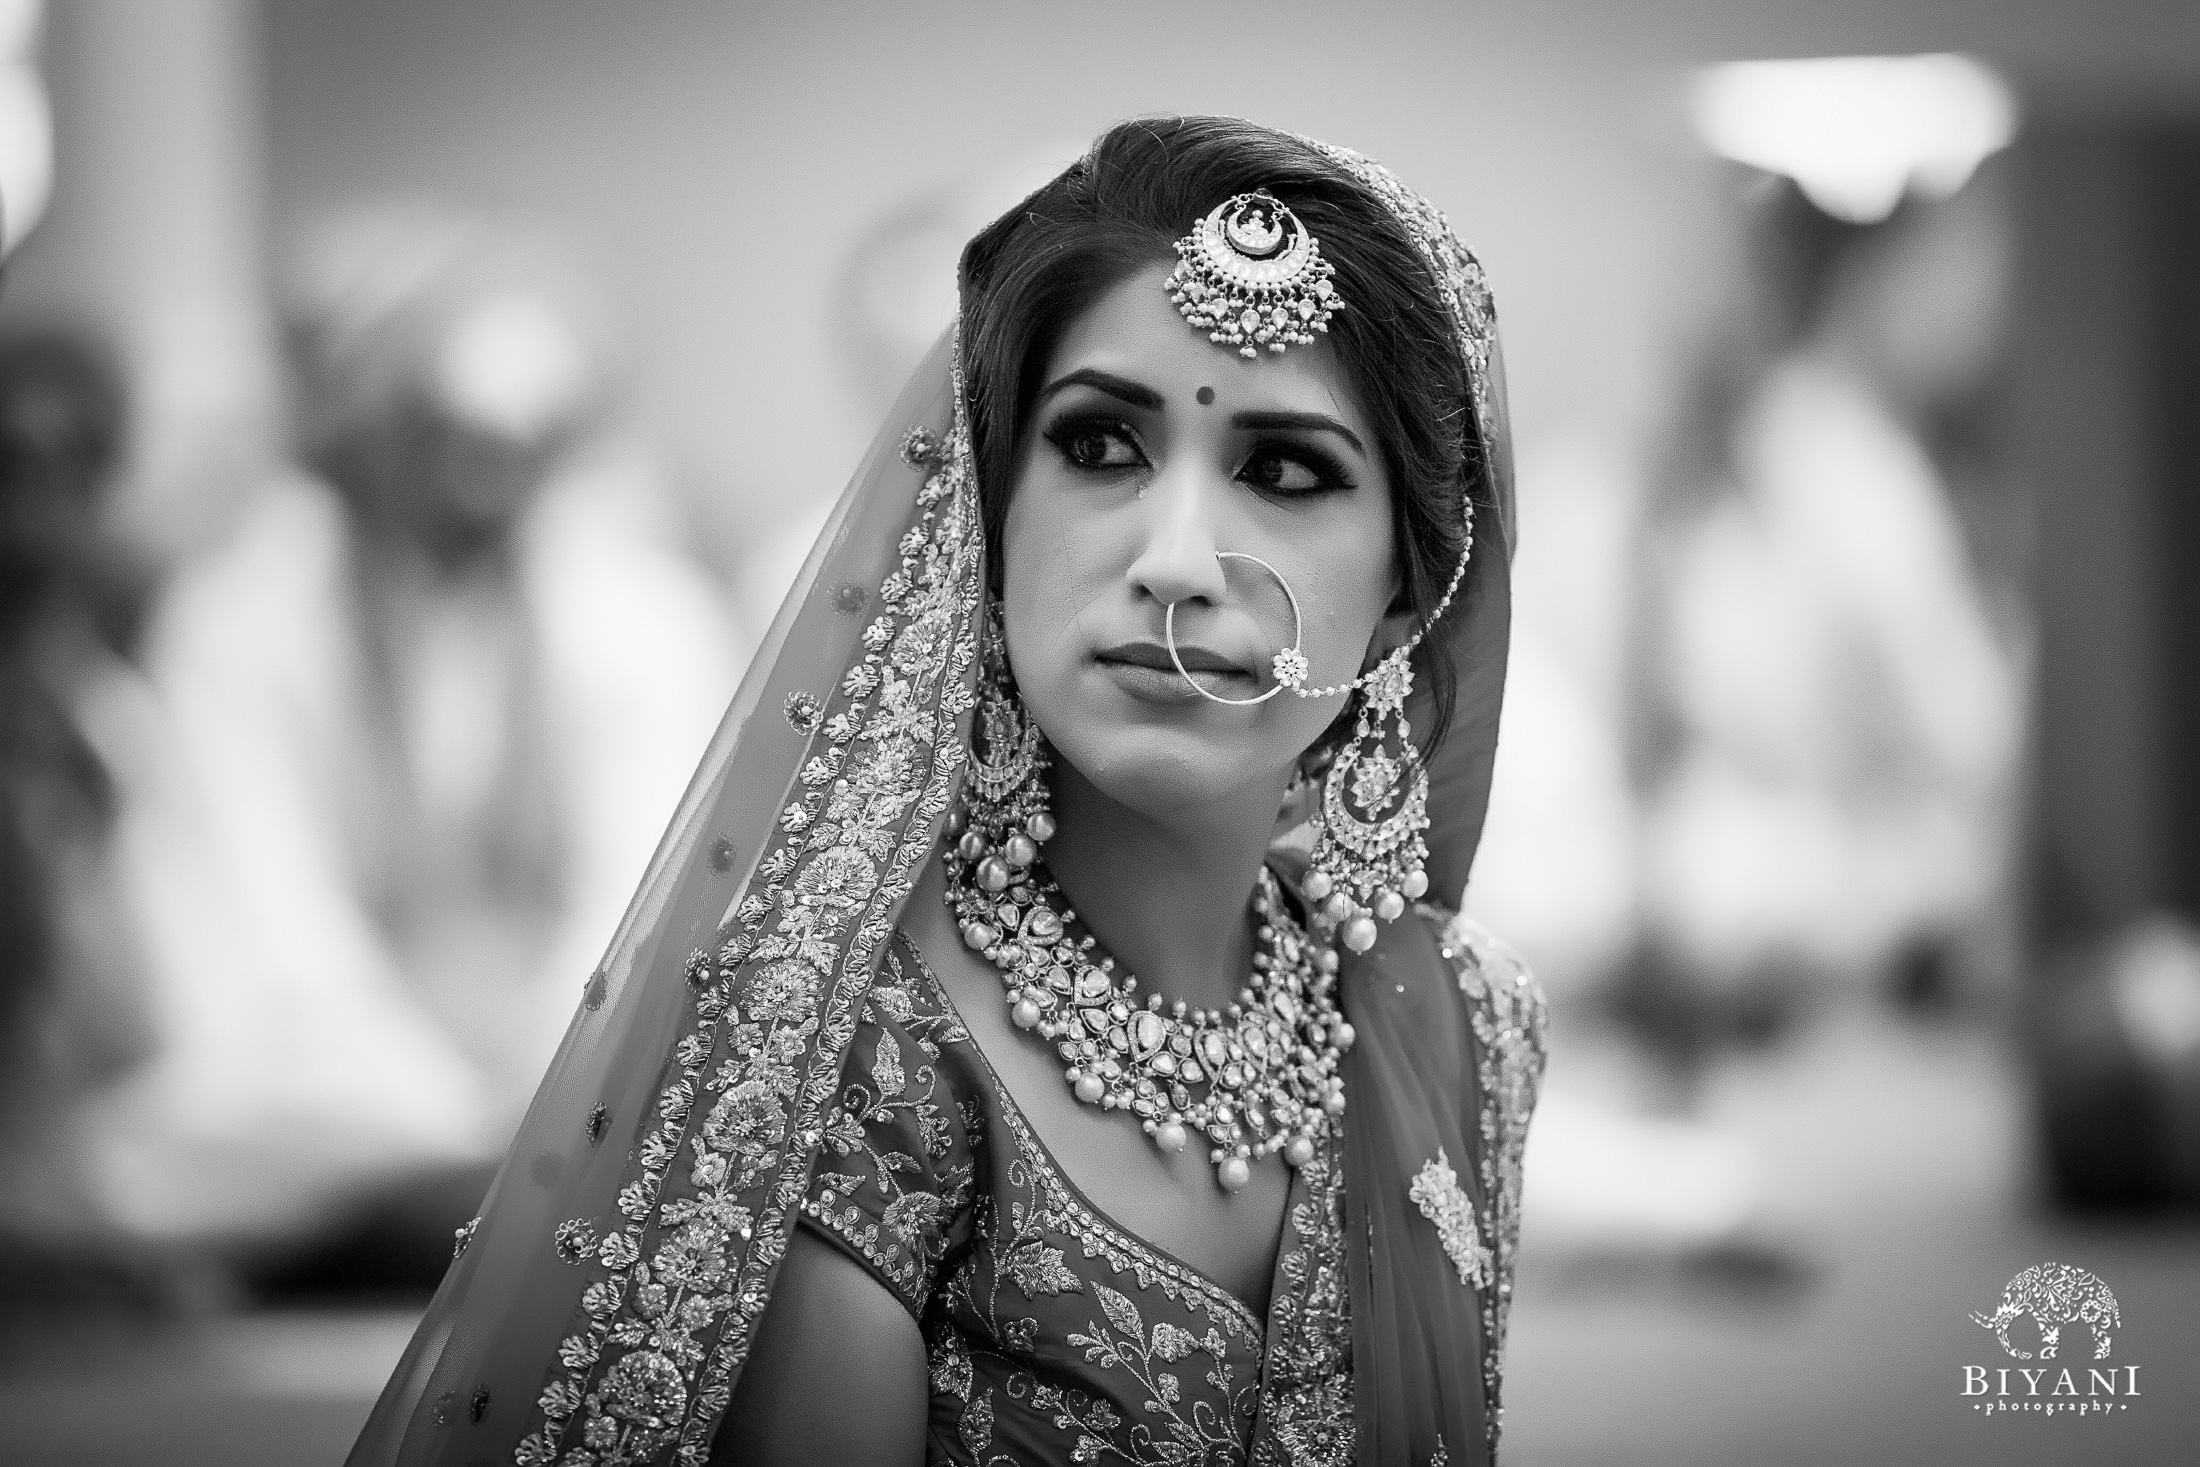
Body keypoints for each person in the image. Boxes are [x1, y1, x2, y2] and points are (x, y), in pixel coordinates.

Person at [348, 116, 1546, 1467]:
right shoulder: (843, 1051)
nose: (1175, 560)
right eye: (1100, 447)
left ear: (1406, 592)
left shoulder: (1458, 1027)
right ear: (984, 509)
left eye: (1285, 471)